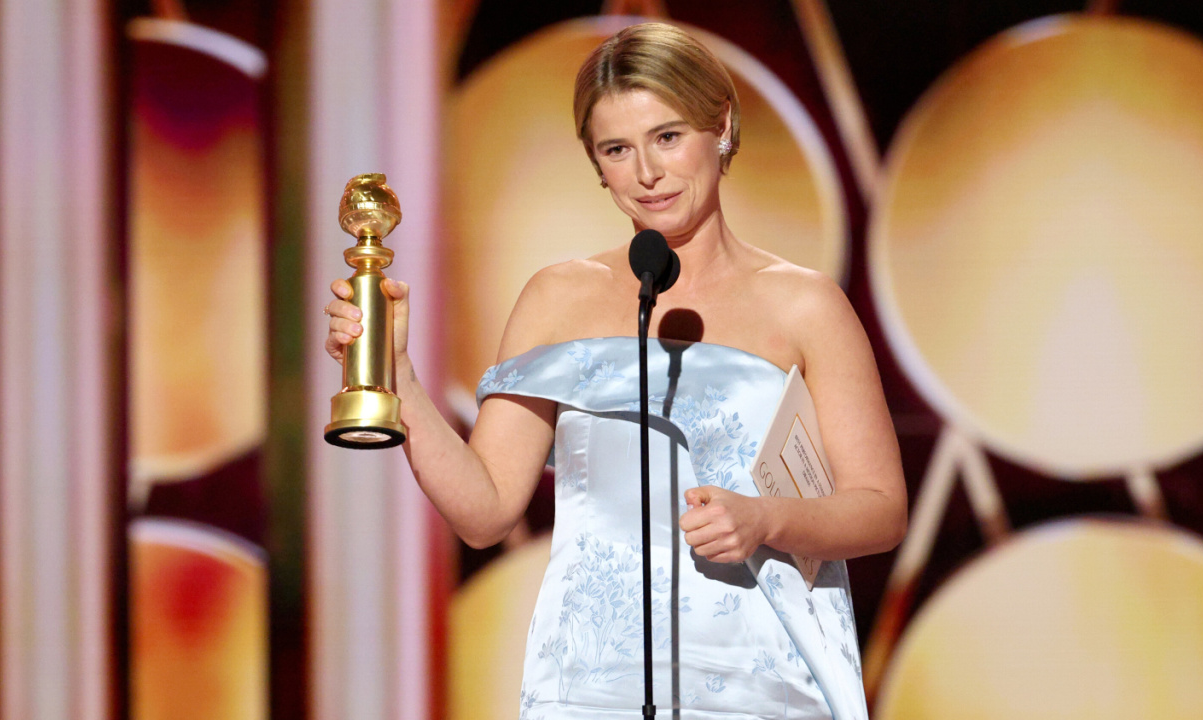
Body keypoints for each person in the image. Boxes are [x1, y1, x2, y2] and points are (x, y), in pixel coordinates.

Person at [325, 22, 906, 720]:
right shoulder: (557, 296)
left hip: (762, 685)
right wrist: (399, 378)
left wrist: (765, 518)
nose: (647, 173)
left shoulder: (805, 303)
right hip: (595, 688)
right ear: (598, 166)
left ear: (720, 126)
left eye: (667, 137)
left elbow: (879, 507)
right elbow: (485, 512)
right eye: (617, 150)